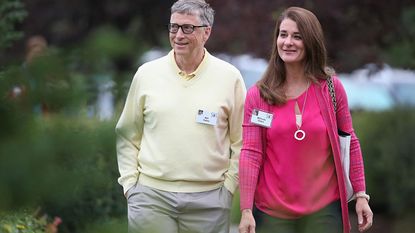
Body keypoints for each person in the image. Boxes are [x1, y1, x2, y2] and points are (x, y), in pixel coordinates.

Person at [238, 7, 373, 233]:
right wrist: (245, 210)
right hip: (272, 215)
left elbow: (350, 142)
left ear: (311, 41)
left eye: (297, 36)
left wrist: (360, 195)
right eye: (283, 35)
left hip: (323, 212)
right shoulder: (259, 95)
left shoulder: (331, 88)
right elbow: (251, 153)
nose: (288, 42)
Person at [115, 0, 246, 232]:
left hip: (209, 202)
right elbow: (127, 133)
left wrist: (228, 188)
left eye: (188, 28)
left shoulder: (230, 78)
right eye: (173, 27)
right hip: (150, 199)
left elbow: (241, 141)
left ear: (207, 32)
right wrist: (130, 185)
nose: (178, 35)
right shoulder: (147, 74)